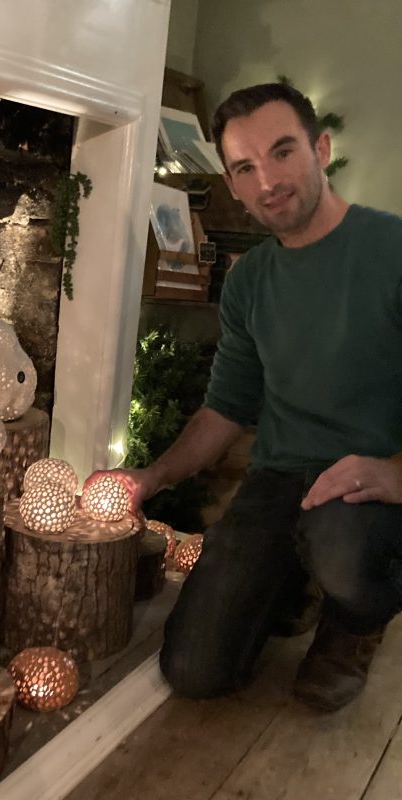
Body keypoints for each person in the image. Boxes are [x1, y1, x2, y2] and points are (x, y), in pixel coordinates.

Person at [86, 82, 402, 711]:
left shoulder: (391, 251)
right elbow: (225, 409)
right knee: (195, 669)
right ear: (231, 184)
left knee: (343, 551)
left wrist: (398, 474)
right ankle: (294, 586)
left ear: (321, 148)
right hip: (278, 480)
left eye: (283, 153)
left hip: (366, 487)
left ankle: (356, 622)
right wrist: (150, 477)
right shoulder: (250, 280)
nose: (268, 182)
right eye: (246, 168)